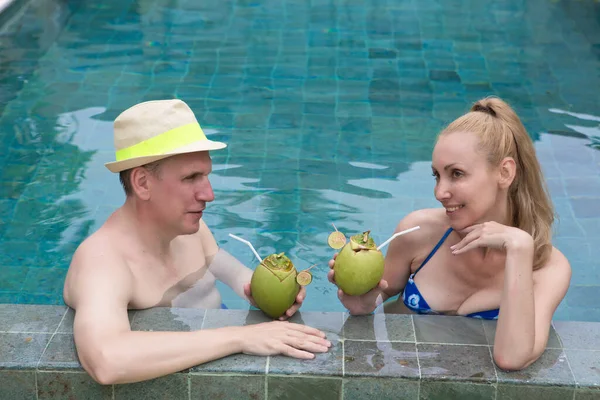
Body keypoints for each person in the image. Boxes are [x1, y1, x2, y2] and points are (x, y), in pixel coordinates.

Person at [63, 99, 331, 385]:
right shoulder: (102, 260)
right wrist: (241, 337)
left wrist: (273, 295)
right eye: (191, 177)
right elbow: (107, 360)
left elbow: (237, 275)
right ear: (142, 183)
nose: (209, 194)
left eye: (206, 175)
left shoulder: (190, 228)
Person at [327, 97, 571, 371]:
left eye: (456, 174)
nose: (440, 192)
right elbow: (375, 300)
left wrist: (519, 247)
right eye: (437, 175)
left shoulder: (547, 268)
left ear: (504, 173)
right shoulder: (418, 233)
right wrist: (360, 303)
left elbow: (512, 358)